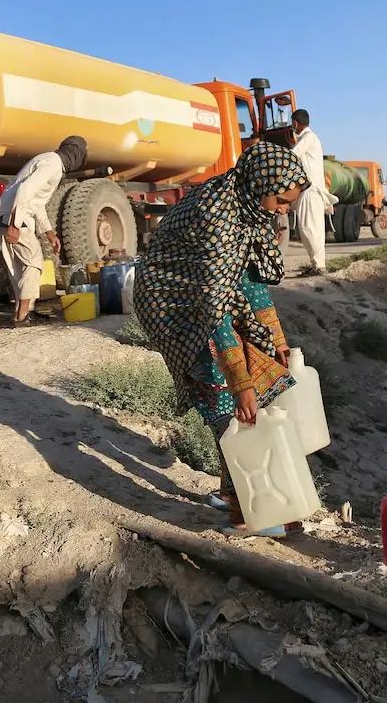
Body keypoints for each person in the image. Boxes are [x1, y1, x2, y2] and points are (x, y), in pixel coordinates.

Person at [134, 142, 310, 537]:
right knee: (225, 399)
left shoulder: (248, 206)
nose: (283, 209)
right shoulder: (217, 214)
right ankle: (247, 512)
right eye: (281, 200)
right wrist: (240, 381)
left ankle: (234, 493)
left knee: (248, 394)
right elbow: (213, 309)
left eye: (289, 203)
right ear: (261, 183)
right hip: (173, 300)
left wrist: (275, 337)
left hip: (211, 294)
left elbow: (247, 280)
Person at [0, 136, 88, 325]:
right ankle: (23, 315)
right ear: (74, 154)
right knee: (34, 262)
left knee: (19, 269)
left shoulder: (49, 161)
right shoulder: (53, 165)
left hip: (1, 216)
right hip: (11, 218)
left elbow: (36, 202)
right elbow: (25, 190)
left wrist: (49, 232)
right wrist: (15, 225)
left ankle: (22, 312)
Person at [290, 109, 331, 276]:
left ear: (295, 123)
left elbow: (292, 156)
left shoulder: (308, 138)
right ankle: (317, 265)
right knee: (312, 229)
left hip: (310, 191)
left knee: (309, 229)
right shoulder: (308, 138)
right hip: (311, 192)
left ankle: (319, 267)